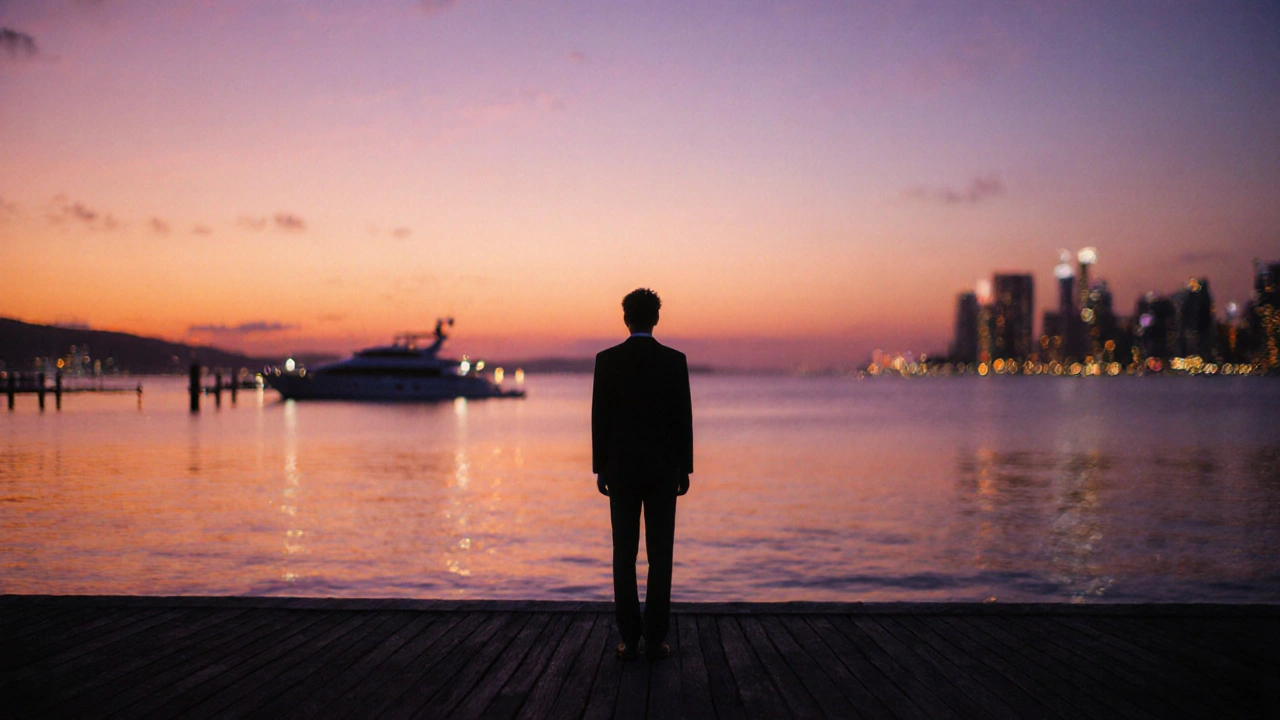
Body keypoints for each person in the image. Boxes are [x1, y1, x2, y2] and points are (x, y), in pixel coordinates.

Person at [592, 288, 693, 661]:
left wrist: (600, 466)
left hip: (621, 469)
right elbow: (683, 419)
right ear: (656, 318)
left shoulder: (607, 360)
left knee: (624, 553)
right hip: (663, 470)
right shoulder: (674, 361)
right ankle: (655, 638)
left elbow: (600, 418)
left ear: (626, 318)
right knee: (660, 555)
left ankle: (629, 638)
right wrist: (685, 467)